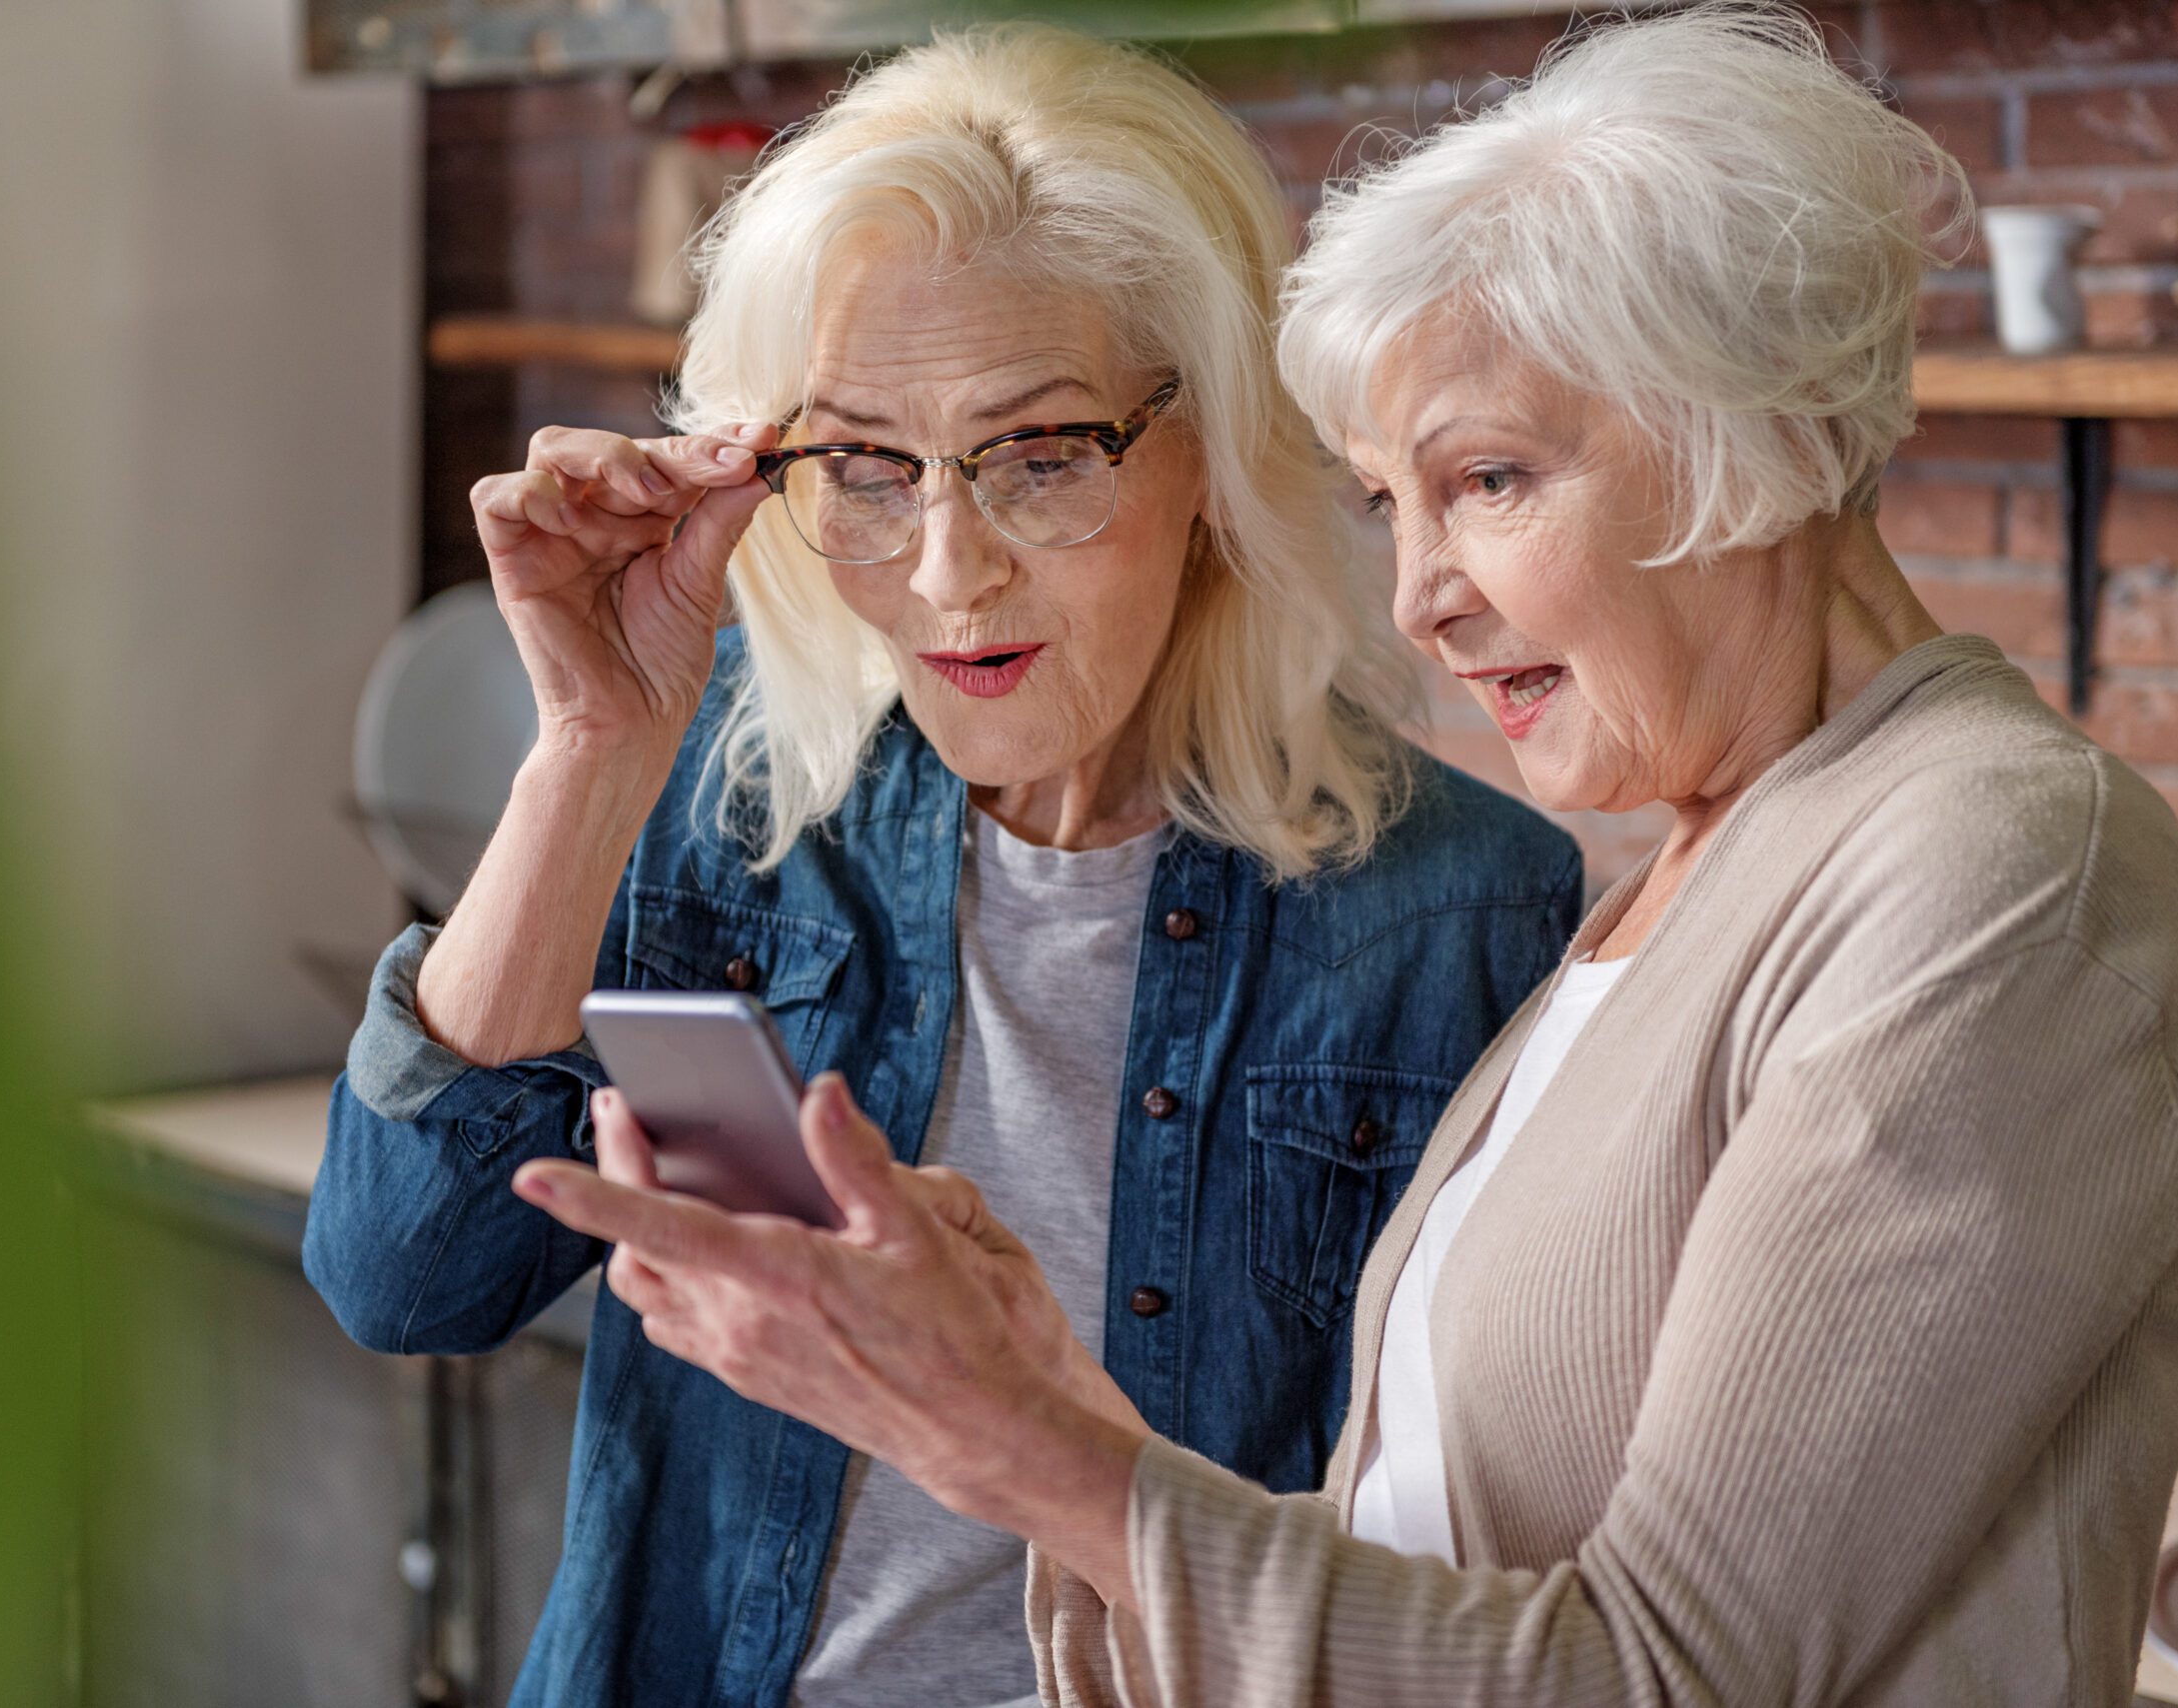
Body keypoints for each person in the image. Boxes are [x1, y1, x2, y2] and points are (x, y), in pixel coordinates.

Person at [512, 9, 2178, 1705]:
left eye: (1489, 479)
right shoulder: (1692, 873)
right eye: (1392, 506)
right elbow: (1430, 1554)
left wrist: (1036, 1456)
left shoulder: (2003, 878)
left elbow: (1658, 1680)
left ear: (1775, 422)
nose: (1422, 599)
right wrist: (1055, 1404)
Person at [303, 24, 1579, 1708]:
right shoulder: (718, 799)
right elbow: (409, 1274)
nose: (948, 567)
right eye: (865, 466)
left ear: (1206, 452)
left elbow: (1438, 1563)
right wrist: (591, 752)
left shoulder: (1462, 906)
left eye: (1042, 454)